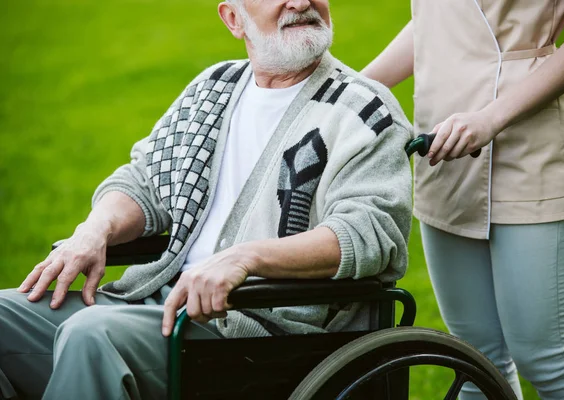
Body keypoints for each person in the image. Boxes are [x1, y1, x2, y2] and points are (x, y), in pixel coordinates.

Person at [0, 1, 413, 399]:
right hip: (161, 300)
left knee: (92, 334)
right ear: (234, 19)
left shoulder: (363, 110)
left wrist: (245, 258)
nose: (300, 2)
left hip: (258, 328)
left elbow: (369, 232)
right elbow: (145, 180)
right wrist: (95, 229)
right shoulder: (214, 87)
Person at [363, 0, 564, 399]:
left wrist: (490, 118)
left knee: (547, 361)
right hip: (445, 149)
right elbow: (435, 23)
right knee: (473, 362)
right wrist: (355, 90)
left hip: (531, 154)